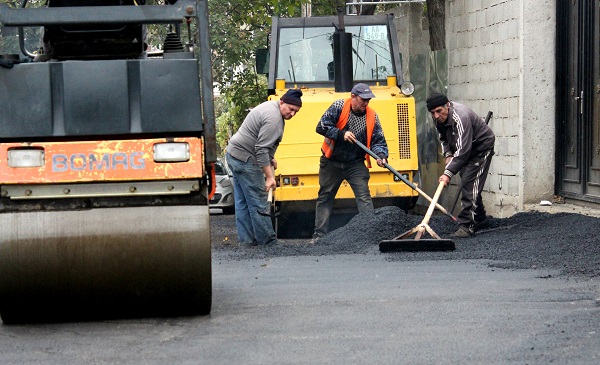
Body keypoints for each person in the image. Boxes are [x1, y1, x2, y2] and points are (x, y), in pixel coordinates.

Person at [311, 83, 389, 244]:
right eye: (363, 100)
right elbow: (321, 126)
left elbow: (378, 140)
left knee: (364, 196)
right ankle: (319, 237)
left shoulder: (372, 116)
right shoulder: (339, 106)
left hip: (355, 162)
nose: (366, 103)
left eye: (368, 100)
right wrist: (341, 134)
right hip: (332, 161)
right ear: (353, 97)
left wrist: (381, 155)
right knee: (325, 196)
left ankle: (370, 234)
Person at [225, 89, 303, 246]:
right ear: (282, 102)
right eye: (291, 109)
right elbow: (260, 148)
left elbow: (259, 140)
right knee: (258, 201)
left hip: (233, 154)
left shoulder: (269, 107)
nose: (292, 114)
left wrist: (270, 158)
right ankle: (268, 242)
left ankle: (247, 241)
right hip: (246, 159)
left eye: (296, 112)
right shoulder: (274, 119)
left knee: (243, 202)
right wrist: (269, 177)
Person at [426, 92, 495, 238]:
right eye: (433, 113)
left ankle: (466, 226)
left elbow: (463, 151)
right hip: (464, 150)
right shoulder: (438, 119)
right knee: (470, 183)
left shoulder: (461, 117)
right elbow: (444, 138)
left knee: (469, 183)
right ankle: (480, 218)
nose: (437, 116)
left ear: (448, 105)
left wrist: (447, 174)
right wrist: (448, 154)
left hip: (481, 149)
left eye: (439, 111)